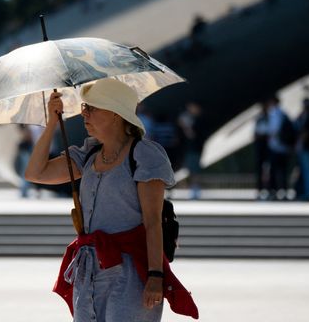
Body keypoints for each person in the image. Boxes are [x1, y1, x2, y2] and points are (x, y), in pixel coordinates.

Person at [24, 79, 198, 321]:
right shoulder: (88, 153)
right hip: (88, 272)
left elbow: (152, 223)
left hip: (130, 273)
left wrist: (155, 277)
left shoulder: (145, 155)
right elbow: (35, 172)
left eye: (92, 107)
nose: (84, 112)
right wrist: (52, 123)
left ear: (116, 114)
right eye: (84, 107)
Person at [177, 101, 205, 200]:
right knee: (190, 170)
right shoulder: (193, 120)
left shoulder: (199, 121)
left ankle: (195, 189)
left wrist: (185, 126)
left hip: (195, 149)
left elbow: (192, 135)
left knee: (195, 170)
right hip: (190, 149)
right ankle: (193, 189)